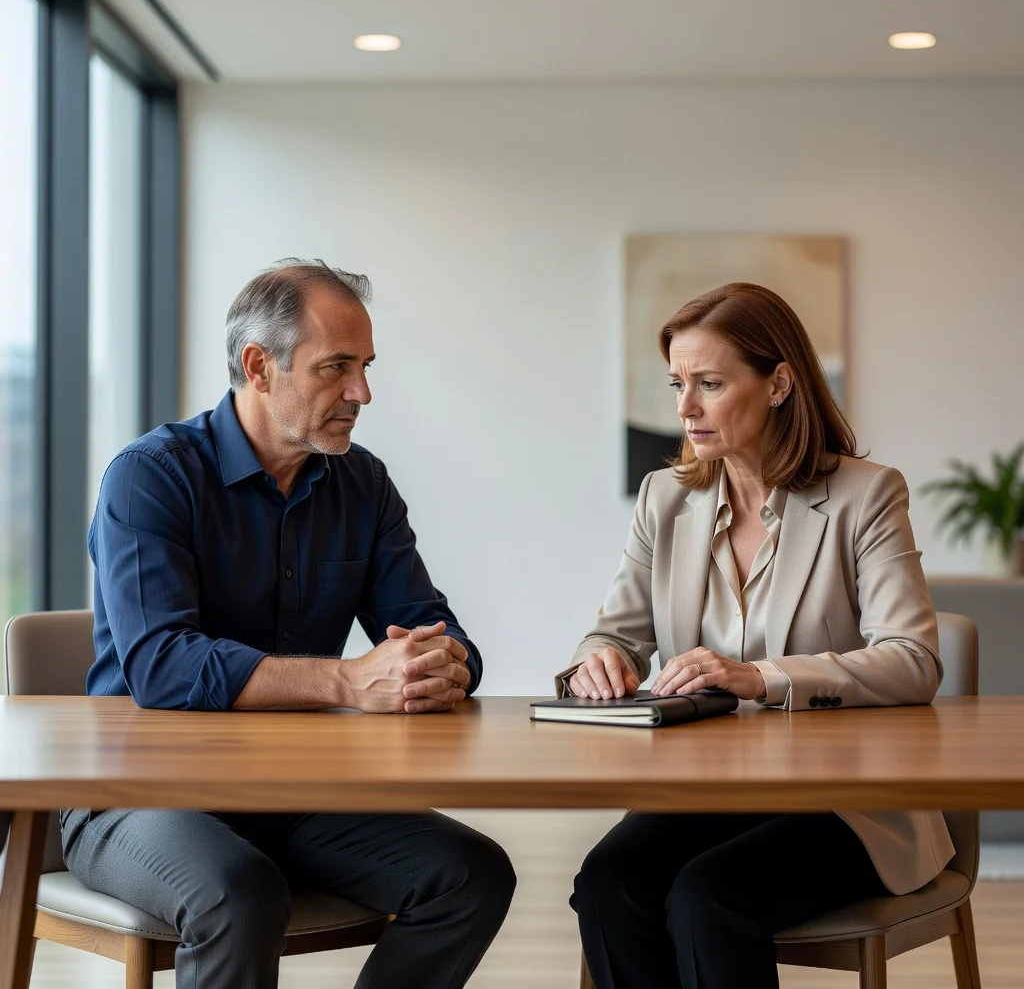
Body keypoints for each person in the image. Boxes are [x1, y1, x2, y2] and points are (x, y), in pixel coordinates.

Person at [61, 259, 516, 989]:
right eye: (337, 367)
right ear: (258, 366)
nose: (362, 393)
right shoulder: (150, 476)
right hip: (139, 794)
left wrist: (447, 663)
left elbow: (426, 623)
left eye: (365, 367)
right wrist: (347, 679)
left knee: (471, 874)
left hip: (293, 794)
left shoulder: (363, 484)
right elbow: (162, 667)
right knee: (242, 892)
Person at [559, 282, 952, 989]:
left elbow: (914, 660)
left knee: (708, 899)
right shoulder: (665, 498)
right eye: (678, 383)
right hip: (704, 793)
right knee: (607, 885)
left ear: (778, 384)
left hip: (845, 804)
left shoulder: (867, 495)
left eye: (710, 383)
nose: (685, 408)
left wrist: (761, 676)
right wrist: (600, 663)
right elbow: (613, 634)